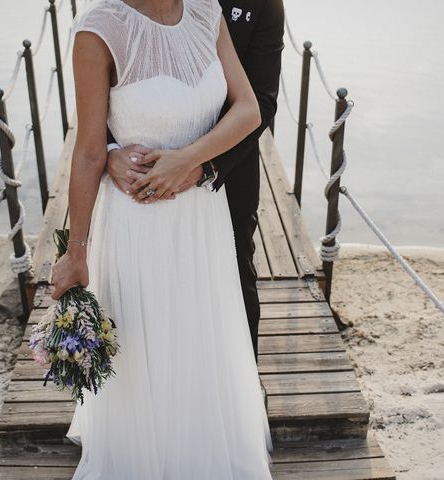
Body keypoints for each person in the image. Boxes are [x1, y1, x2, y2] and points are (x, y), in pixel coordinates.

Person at [50, 0, 274, 477]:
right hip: (138, 225)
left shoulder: (205, 12)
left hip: (202, 222)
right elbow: (89, 153)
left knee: (199, 341)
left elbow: (250, 107)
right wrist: (76, 253)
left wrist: (190, 159)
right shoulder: (97, 30)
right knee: (146, 350)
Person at [105, 0, 284, 364]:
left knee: (235, 276)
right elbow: (101, 78)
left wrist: (203, 164)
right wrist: (109, 150)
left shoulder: (263, 3)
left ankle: (244, 382)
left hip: (227, 169)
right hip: (139, 173)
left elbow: (261, 102)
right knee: (146, 286)